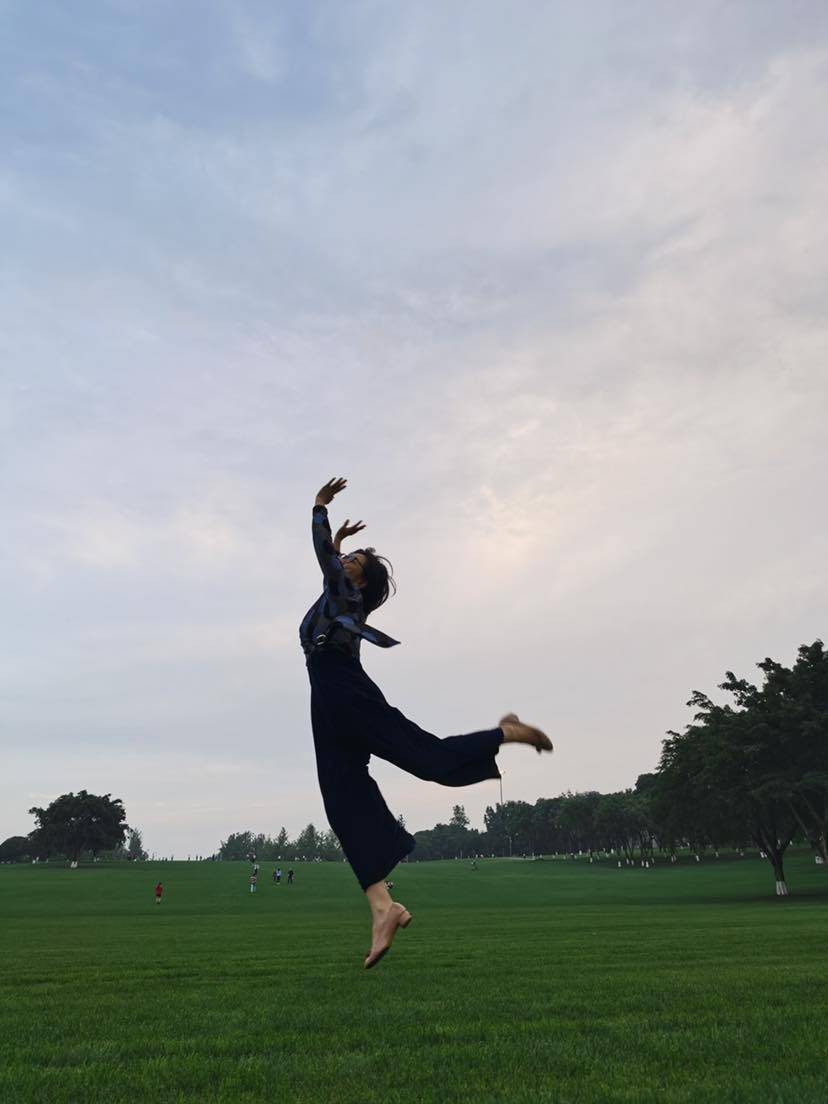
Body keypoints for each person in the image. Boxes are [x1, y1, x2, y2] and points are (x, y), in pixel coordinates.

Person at [301, 477, 553, 969]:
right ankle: (383, 907)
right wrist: (339, 546)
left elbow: (325, 561)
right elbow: (330, 566)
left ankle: (505, 732)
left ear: (360, 583)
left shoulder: (345, 596)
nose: (345, 561)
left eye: (354, 563)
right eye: (347, 559)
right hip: (325, 695)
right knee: (341, 793)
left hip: (344, 689)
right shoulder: (340, 597)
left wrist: (319, 508)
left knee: (425, 758)